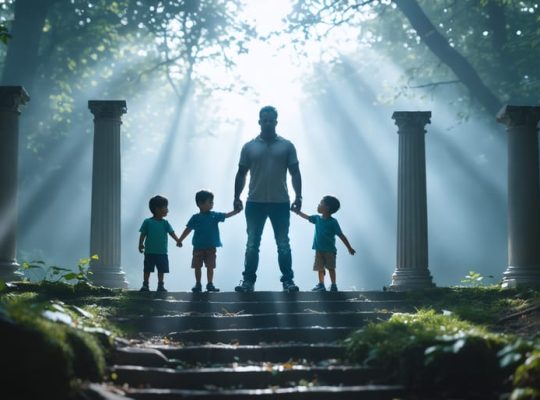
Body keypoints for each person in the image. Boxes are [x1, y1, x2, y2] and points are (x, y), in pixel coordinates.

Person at [233, 105, 303, 293]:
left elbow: (295, 172)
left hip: (280, 202)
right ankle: (248, 281)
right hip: (254, 202)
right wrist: (236, 197)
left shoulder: (287, 146)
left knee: (283, 244)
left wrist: (299, 196)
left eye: (271, 120)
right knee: (252, 244)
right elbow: (241, 173)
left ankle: (288, 281)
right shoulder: (249, 146)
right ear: (259, 121)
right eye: (264, 120)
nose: (268, 123)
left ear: (276, 122)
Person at [177, 190, 240, 292]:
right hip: (198, 247)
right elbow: (188, 229)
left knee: (210, 266)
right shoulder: (195, 218)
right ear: (200, 204)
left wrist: (236, 211)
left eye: (212, 202)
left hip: (211, 247)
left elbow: (226, 215)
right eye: (209, 202)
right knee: (197, 266)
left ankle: (210, 284)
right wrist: (180, 239)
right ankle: (198, 284)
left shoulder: (214, 215)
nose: (212, 204)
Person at [293, 195, 356, 292]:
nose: (318, 204)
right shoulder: (317, 218)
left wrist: (349, 248)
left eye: (321, 203)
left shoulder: (333, 222)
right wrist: (298, 212)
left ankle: (333, 285)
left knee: (331, 267)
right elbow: (307, 217)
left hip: (329, 250)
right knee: (320, 268)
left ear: (327, 207)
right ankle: (321, 284)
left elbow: (341, 235)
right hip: (319, 249)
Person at [138, 195, 181, 292]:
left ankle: (160, 285)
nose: (167, 210)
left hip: (162, 252)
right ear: (157, 209)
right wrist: (140, 244)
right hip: (149, 251)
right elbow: (143, 234)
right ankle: (145, 284)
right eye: (165, 207)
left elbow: (171, 233)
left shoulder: (165, 223)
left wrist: (178, 240)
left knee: (161, 269)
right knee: (147, 269)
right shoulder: (147, 222)